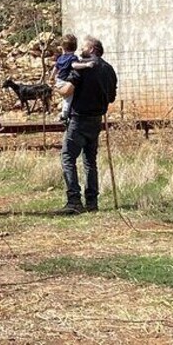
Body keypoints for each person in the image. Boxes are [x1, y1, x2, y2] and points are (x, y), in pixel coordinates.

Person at [55, 36, 118, 214]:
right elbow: (111, 97)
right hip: (97, 119)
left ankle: (74, 200)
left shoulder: (83, 67)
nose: (79, 50)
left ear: (91, 49)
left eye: (83, 47)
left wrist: (56, 89)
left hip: (79, 118)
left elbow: (67, 90)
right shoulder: (109, 69)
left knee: (68, 157)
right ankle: (92, 202)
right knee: (90, 161)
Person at [49, 34, 95, 123]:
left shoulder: (60, 58)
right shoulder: (73, 58)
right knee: (68, 99)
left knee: (66, 98)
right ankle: (64, 115)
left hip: (59, 80)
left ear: (63, 48)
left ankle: (65, 114)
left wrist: (51, 77)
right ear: (75, 47)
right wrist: (86, 65)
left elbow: (55, 68)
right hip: (65, 82)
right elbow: (74, 65)